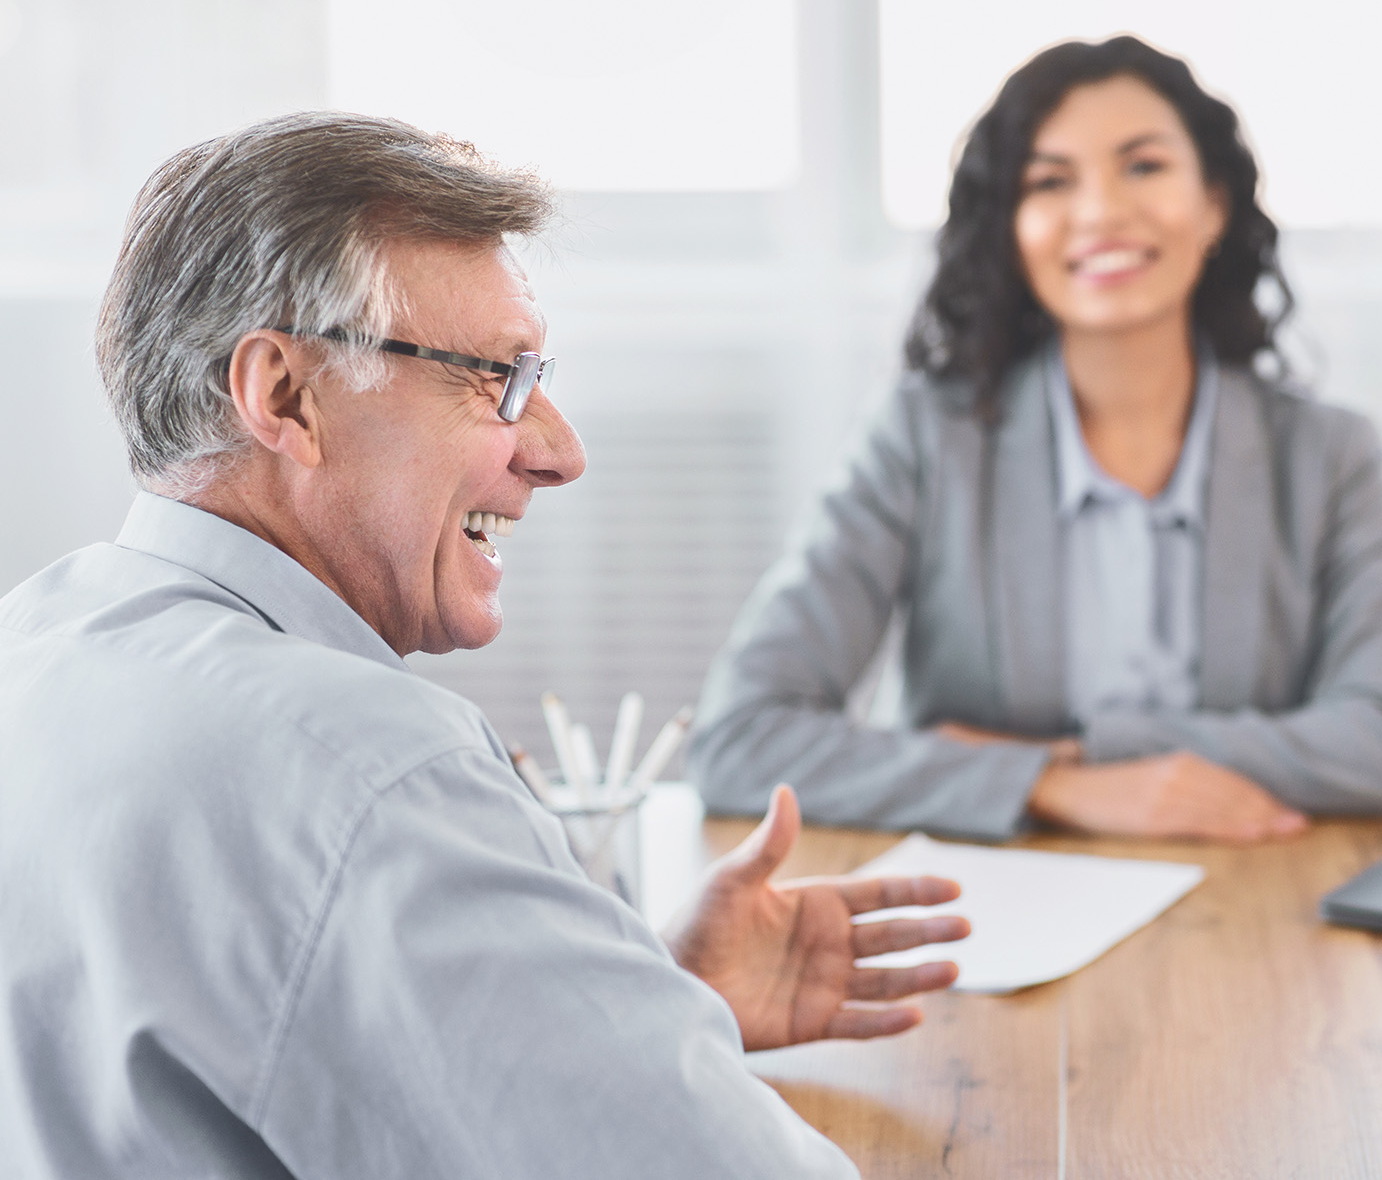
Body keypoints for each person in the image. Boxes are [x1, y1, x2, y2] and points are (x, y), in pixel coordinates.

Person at [0, 112, 971, 1180]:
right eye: (495, 378)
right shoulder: (367, 773)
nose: (559, 450)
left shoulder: (35, 641)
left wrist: (627, 1006)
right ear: (283, 394)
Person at [689, 36, 1382, 844]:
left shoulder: (1328, 454)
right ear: (1010, 227)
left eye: (1143, 166)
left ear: (1215, 203)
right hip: (984, 910)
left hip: (1256, 896)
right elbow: (740, 739)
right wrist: (1053, 788)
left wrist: (1093, 751)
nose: (1102, 211)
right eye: (1050, 181)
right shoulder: (924, 437)